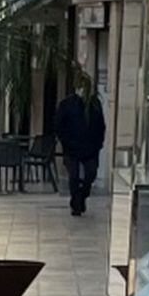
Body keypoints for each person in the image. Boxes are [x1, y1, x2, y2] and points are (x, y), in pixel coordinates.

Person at [55, 74, 106, 217]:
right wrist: (65, 141)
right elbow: (59, 124)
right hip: (72, 148)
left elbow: (101, 125)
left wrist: (98, 143)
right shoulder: (67, 104)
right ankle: (76, 204)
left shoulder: (94, 104)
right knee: (74, 176)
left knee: (91, 174)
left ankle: (81, 197)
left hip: (90, 148)